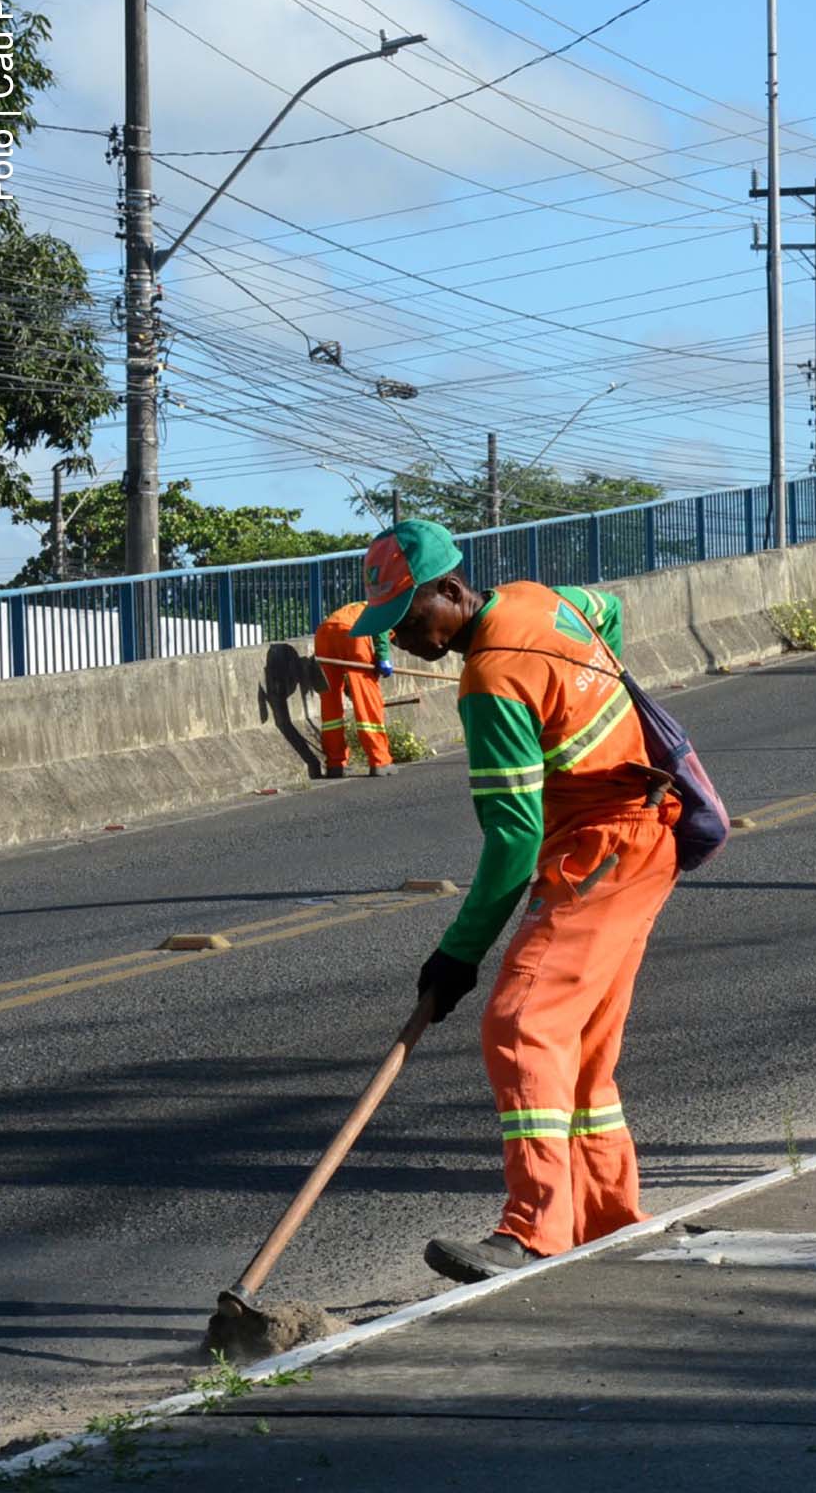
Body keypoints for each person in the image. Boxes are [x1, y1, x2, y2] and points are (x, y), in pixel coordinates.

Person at [348, 520, 682, 1280]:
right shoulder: (543, 600)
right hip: (646, 839)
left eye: (411, 617)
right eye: (390, 627)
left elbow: (511, 842)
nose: (405, 639)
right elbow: (608, 613)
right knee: (584, 1051)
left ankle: (533, 1231)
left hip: (598, 852)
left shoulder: (490, 679)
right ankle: (606, 1216)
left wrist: (458, 955)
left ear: (454, 590)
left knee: (522, 1022)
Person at [312, 599, 394, 778]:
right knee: (368, 702)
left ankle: (335, 764)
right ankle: (380, 761)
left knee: (330, 703)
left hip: (324, 634)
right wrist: (383, 656)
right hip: (353, 634)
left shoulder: (360, 606)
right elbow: (381, 629)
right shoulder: (391, 607)